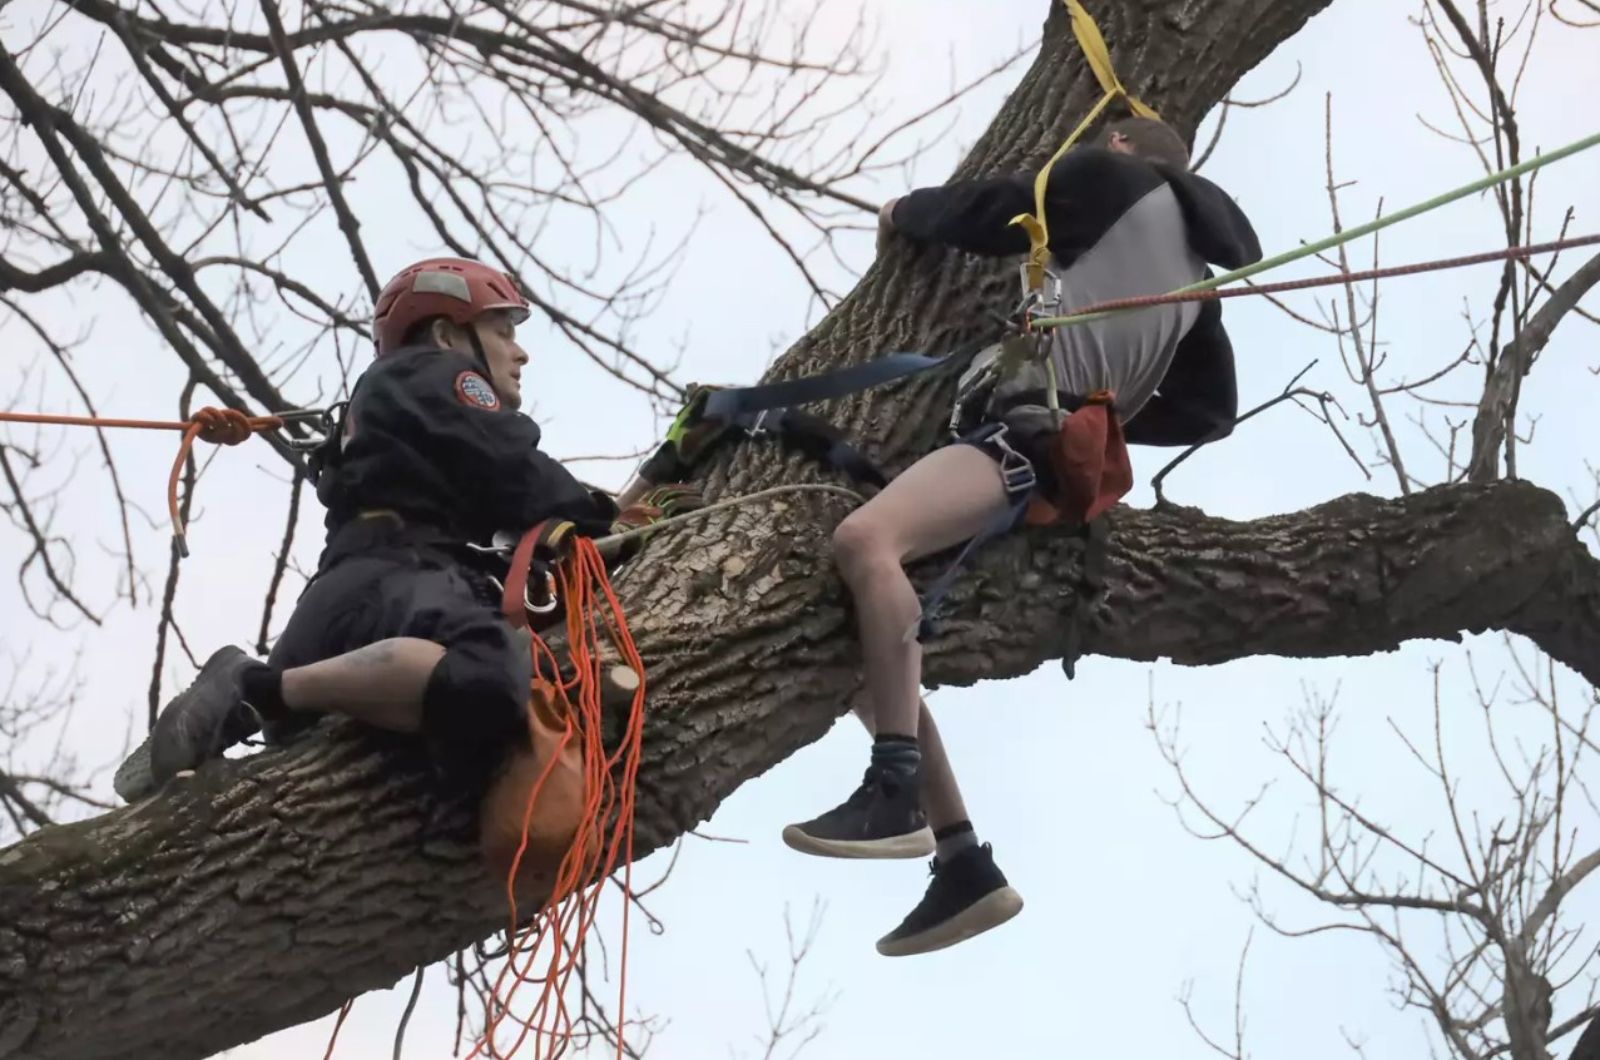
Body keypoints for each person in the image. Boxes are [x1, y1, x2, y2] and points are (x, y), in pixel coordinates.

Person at [780, 118, 1263, 957]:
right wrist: (1108, 405)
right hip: (1049, 465)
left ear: (1118, 141)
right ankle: (963, 862)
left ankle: (893, 789)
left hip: (1013, 451)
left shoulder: (1109, 181)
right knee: (878, 656)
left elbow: (996, 206)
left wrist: (905, 211)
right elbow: (1209, 413)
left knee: (865, 543)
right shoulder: (1196, 283)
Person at [115, 257, 693, 804]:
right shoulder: (439, 374)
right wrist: (603, 516)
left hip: (340, 611)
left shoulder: (398, 415)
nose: (520, 354)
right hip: (402, 579)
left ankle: (265, 696)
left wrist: (620, 506)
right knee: (491, 675)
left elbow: (518, 510)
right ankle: (253, 687)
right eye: (502, 333)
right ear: (446, 335)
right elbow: (511, 469)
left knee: (456, 726)